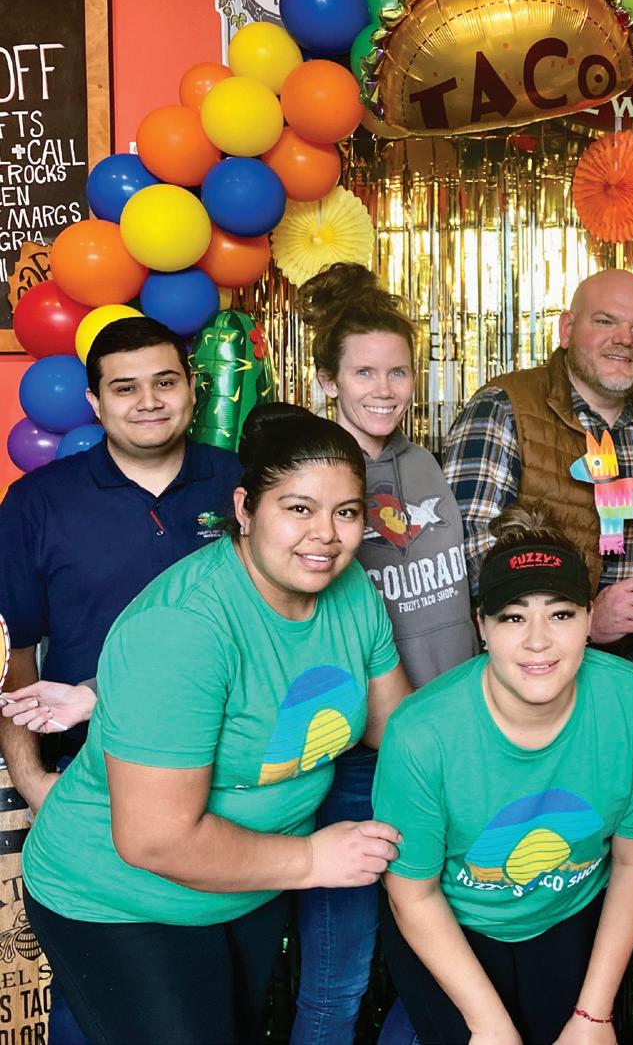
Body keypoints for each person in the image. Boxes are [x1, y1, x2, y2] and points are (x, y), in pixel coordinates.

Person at [19, 404, 412, 1044]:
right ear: (245, 508)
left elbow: (393, 726)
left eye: (345, 512)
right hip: (121, 898)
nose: (326, 535)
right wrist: (313, 857)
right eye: (299, 508)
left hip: (248, 885)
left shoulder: (351, 593)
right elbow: (155, 841)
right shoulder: (184, 627)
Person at [0, 316, 242, 1043]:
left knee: (215, 1000)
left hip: (233, 782)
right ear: (95, 402)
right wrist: (34, 781)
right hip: (90, 786)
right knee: (97, 998)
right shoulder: (38, 502)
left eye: (165, 382)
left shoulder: (242, 486)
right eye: (125, 388)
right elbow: (14, 656)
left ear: (192, 389)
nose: (148, 402)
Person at [372, 505, 633, 1044]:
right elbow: (412, 894)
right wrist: (490, 1027)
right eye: (513, 617)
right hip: (455, 923)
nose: (538, 641)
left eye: (560, 615)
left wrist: (594, 1014)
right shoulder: (420, 733)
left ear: (589, 619)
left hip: (571, 914)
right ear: (481, 626)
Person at [294, 263, 478, 1044]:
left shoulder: (425, 464)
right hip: (360, 761)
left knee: (447, 961)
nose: (384, 388)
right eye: (364, 372)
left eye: (397, 371)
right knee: (337, 977)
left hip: (450, 744)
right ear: (328, 379)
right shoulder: (316, 486)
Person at [441, 268, 633, 687]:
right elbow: (472, 553)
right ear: (567, 329)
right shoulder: (503, 407)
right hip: (533, 671)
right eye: (605, 321)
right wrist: (583, 618)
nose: (624, 339)